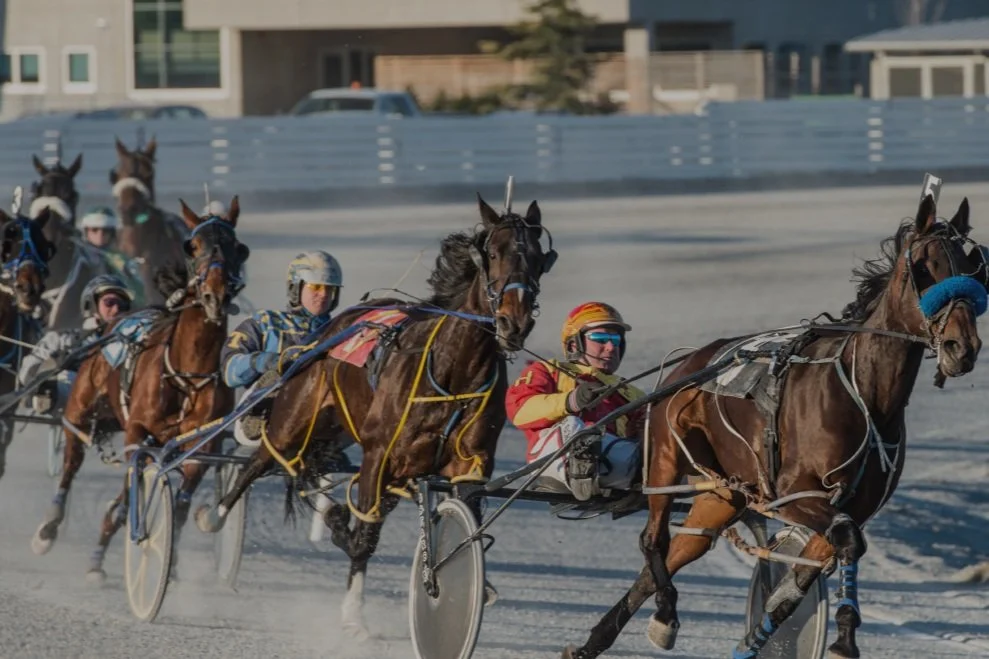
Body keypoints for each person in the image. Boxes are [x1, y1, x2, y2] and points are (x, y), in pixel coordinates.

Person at [504, 301, 645, 501]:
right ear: (574, 344)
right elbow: (519, 411)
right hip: (552, 461)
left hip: (612, 466)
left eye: (616, 339)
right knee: (575, 426)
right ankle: (580, 467)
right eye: (601, 338)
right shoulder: (547, 370)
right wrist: (571, 401)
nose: (611, 347)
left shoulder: (630, 392)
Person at [221, 250, 343, 446]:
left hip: (322, 416)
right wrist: (262, 361)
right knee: (278, 376)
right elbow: (229, 372)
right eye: (316, 287)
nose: (323, 295)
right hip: (272, 413)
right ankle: (258, 415)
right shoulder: (264, 322)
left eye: (329, 289)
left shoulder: (341, 331)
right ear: (296, 287)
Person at [18, 274, 134, 416]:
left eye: (122, 305)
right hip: (57, 419)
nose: (116, 309)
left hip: (113, 418)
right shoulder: (60, 340)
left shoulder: (132, 347)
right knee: (65, 377)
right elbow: (26, 373)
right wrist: (45, 378)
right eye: (109, 303)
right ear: (91, 304)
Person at [78, 207, 146, 308]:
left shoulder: (121, 259)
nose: (100, 235)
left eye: (105, 231)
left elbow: (138, 292)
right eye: (94, 230)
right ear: (86, 231)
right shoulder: (79, 255)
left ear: (113, 233)